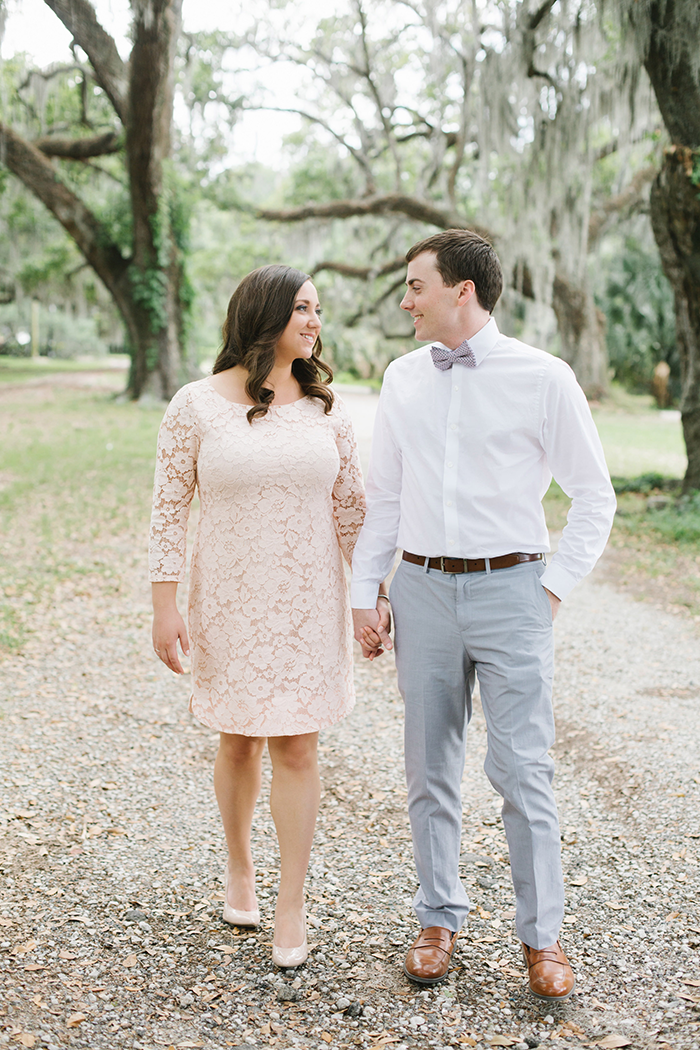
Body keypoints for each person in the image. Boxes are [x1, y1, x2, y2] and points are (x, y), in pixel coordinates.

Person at [351, 230, 616, 999]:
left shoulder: (543, 376)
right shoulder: (403, 379)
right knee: (428, 766)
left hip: (514, 591)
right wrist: (366, 593)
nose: (405, 300)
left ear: (461, 291)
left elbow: (594, 495)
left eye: (415, 286)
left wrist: (551, 589)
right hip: (423, 591)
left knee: (524, 770)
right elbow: (387, 500)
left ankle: (542, 939)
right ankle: (438, 918)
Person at [149, 264, 388, 967]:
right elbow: (168, 507)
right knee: (239, 740)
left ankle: (292, 901)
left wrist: (368, 599)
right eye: (303, 309)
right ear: (265, 315)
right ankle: (239, 868)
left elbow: (352, 511)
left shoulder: (327, 408)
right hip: (229, 597)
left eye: (318, 310)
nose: (316, 322)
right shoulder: (194, 405)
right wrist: (165, 606)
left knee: (298, 746)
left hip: (309, 602)